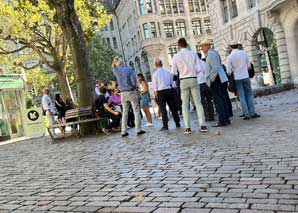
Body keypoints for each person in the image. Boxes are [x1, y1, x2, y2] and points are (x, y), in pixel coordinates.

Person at [171, 38, 207, 134]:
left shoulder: (176, 56)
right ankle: (202, 125)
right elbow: (199, 69)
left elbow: (173, 72)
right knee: (198, 103)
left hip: (183, 80)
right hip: (193, 78)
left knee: (185, 104)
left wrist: (181, 70)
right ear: (186, 44)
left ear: (178, 46)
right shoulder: (193, 54)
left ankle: (187, 127)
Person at [226, 40, 260, 120]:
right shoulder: (244, 53)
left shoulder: (230, 57)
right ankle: (253, 112)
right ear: (238, 45)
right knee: (249, 94)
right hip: (245, 76)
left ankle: (246, 114)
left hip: (237, 78)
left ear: (230, 47)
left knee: (241, 96)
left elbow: (228, 71)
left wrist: (234, 70)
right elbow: (249, 66)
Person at [200, 39, 231, 127]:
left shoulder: (210, 54)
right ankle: (225, 119)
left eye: (202, 46)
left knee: (218, 100)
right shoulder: (214, 53)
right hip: (219, 78)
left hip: (216, 79)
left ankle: (222, 120)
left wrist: (211, 79)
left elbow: (215, 67)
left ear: (207, 46)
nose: (202, 49)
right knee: (222, 99)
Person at [112, 56, 146, 137]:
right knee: (136, 111)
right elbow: (133, 81)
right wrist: (134, 87)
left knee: (125, 112)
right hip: (131, 91)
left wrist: (114, 60)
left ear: (117, 64)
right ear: (123, 62)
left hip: (122, 93)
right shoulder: (129, 69)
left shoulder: (116, 71)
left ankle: (124, 131)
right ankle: (138, 129)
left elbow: (113, 66)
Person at [152, 59, 180, 131]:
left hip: (160, 92)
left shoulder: (155, 74)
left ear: (155, 65)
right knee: (173, 107)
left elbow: (155, 86)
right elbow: (173, 84)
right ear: (162, 64)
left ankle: (165, 126)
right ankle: (177, 122)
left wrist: (155, 95)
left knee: (163, 109)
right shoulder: (168, 72)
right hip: (169, 90)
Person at [197, 53, 215, 121]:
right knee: (209, 100)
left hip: (199, 84)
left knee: (202, 102)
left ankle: (207, 116)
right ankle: (212, 115)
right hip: (206, 83)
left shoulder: (195, 64)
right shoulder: (204, 63)